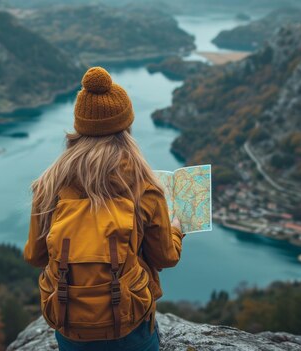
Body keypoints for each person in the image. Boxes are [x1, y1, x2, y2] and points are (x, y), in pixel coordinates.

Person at [24, 66, 184, 351]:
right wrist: (176, 230)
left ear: (79, 127)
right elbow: (165, 257)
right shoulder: (145, 188)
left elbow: (35, 256)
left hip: (68, 322)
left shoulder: (48, 185)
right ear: (126, 128)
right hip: (130, 324)